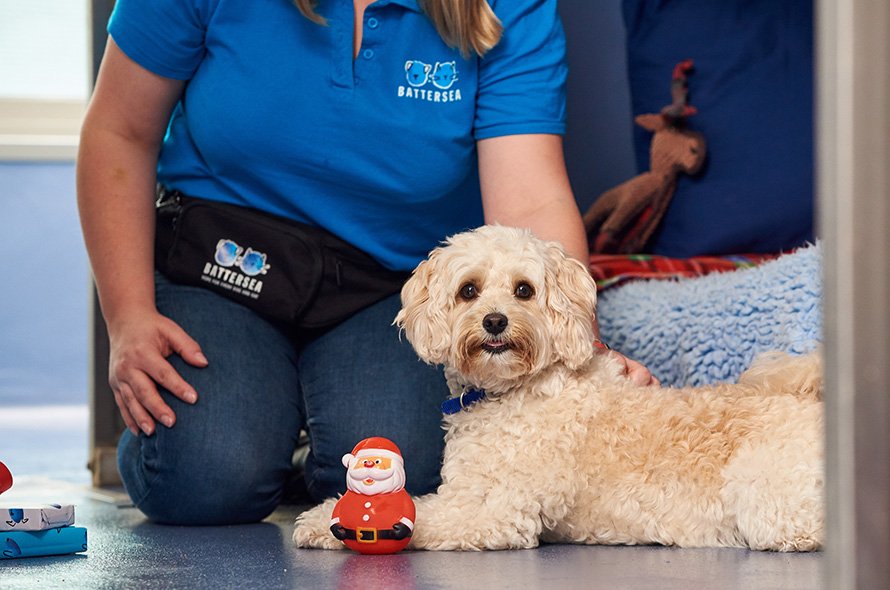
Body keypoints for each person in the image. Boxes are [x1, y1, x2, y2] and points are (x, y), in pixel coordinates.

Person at [77, 0, 654, 526]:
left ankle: (301, 435)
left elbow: (530, 201)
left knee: (401, 475)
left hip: (385, 282)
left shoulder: (510, 7)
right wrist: (127, 317)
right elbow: (119, 131)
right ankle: (258, 425)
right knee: (205, 477)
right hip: (225, 263)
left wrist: (576, 341)